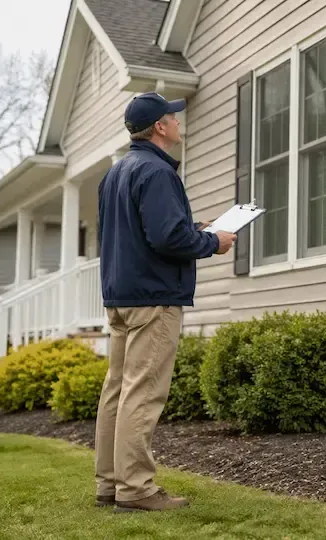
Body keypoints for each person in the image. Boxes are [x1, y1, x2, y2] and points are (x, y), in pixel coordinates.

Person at [94, 92, 237, 512]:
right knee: (142, 393)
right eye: (172, 116)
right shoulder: (157, 172)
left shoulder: (116, 173)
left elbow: (145, 231)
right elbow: (166, 239)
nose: (177, 120)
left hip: (121, 296)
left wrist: (195, 227)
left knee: (117, 391)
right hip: (153, 298)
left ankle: (109, 484)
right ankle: (136, 490)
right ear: (160, 126)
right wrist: (214, 242)